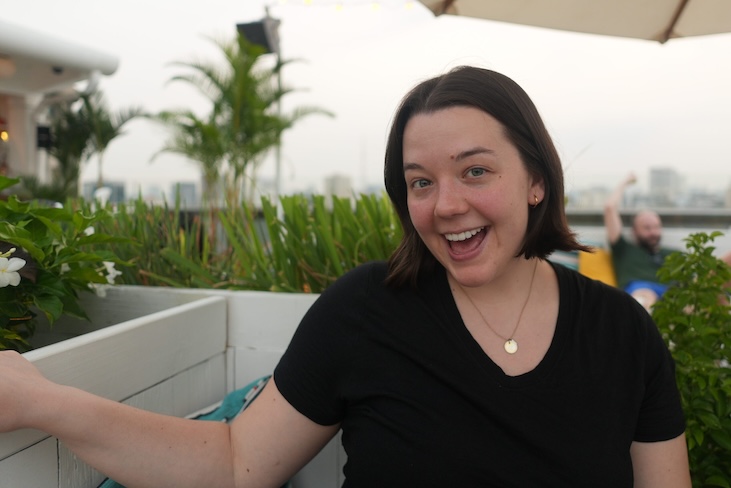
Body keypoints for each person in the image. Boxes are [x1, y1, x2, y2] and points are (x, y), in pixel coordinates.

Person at [0, 66, 691, 487]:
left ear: (536, 179)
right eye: (419, 181)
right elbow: (236, 464)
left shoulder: (621, 334)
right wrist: (45, 402)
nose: (444, 204)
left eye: (474, 170)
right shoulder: (366, 312)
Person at [603, 172, 676, 310]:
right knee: (643, 298)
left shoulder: (672, 254)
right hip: (641, 290)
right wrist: (626, 181)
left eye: (656, 227)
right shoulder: (624, 249)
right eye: (647, 228)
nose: (653, 232)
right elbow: (609, 208)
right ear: (634, 231)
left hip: (673, 292)